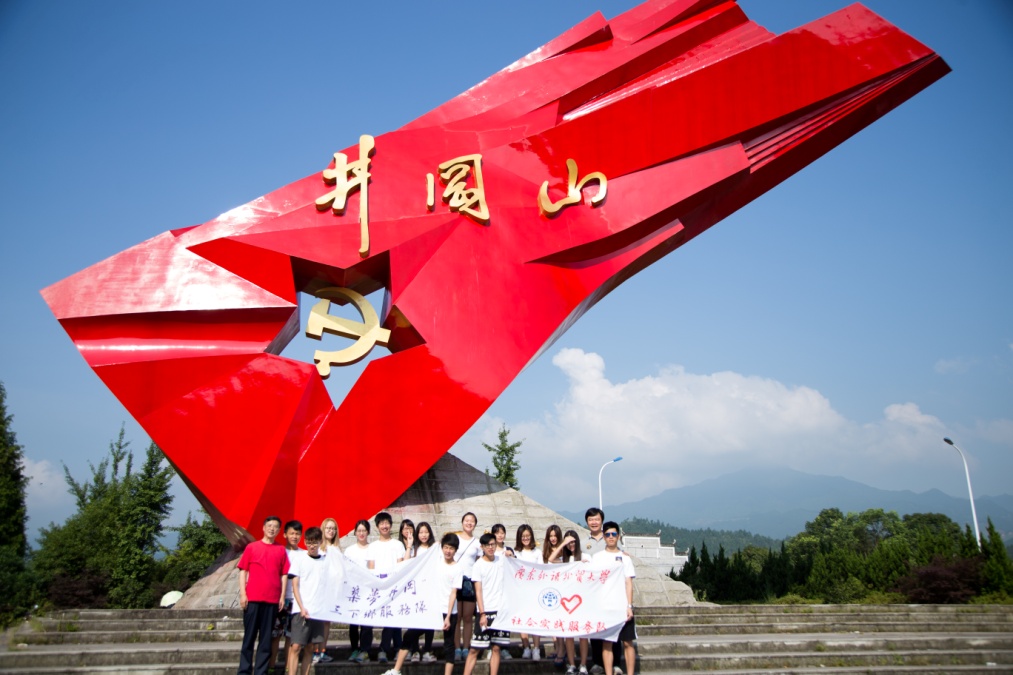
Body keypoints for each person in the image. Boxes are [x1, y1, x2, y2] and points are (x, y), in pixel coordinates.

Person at [382, 532, 462, 675]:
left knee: (449, 645)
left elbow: (453, 593)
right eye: (446, 547)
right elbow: (432, 549)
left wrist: (448, 617)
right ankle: (396, 670)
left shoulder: (457, 568)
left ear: (456, 550)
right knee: (409, 635)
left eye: (451, 548)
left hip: (448, 612)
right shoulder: (436, 560)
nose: (448, 551)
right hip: (431, 609)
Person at [237, 515, 290, 675]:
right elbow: (243, 571)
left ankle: (261, 671)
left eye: (275, 527)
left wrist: (282, 596)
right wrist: (243, 594)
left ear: (279, 531)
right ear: (264, 528)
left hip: (272, 600)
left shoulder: (281, 549)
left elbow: (284, 574)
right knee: (249, 637)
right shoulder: (252, 547)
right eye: (270, 525)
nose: (272, 529)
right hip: (252, 599)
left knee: (266, 640)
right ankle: (244, 671)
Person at [592, 522, 636, 675]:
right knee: (607, 643)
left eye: (614, 534)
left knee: (628, 643)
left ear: (618, 536)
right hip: (606, 606)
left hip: (623, 606)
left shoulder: (625, 558)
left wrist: (629, 605)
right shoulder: (597, 558)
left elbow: (629, 583)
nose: (611, 537)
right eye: (608, 534)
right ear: (604, 537)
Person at [462, 534, 509, 675]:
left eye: (492, 544)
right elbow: (478, 591)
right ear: (482, 547)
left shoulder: (501, 560)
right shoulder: (478, 565)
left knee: (496, 648)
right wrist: (482, 613)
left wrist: (511, 554)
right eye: (487, 545)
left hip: (500, 611)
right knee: (474, 649)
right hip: (485, 611)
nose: (490, 547)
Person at [287, 527, 329, 675]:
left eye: (315, 542)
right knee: (296, 646)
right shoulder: (299, 559)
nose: (312, 546)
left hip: (317, 611)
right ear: (305, 542)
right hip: (301, 610)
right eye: (309, 543)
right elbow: (295, 586)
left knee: (311, 647)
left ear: (320, 542)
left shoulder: (325, 560)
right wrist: (301, 607)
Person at [369, 512, 407, 663]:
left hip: (395, 586)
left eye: (387, 523)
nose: (384, 526)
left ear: (391, 525)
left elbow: (400, 565)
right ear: (377, 526)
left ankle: (386, 649)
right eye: (381, 523)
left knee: (394, 618)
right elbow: (371, 568)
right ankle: (394, 648)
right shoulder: (373, 546)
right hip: (380, 587)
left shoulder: (397, 545)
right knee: (390, 619)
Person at [584, 507, 616, 675]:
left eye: (596, 519)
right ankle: (597, 662)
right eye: (591, 519)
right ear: (587, 522)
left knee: (612, 627)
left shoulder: (609, 538)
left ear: (601, 521)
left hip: (610, 590)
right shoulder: (583, 543)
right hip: (593, 592)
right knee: (595, 627)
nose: (594, 522)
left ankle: (615, 663)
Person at [269, 520, 302, 669]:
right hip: (279, 599)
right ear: (285, 535)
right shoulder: (279, 551)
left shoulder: (304, 554)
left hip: (295, 601)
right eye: (291, 533)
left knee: (291, 637)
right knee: (275, 635)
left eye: (297, 534)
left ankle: (288, 668)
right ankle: (271, 666)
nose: (294, 536)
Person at [559, 530, 589, 675]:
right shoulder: (563, 559)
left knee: (583, 635)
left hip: (582, 601)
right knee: (569, 635)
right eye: (568, 542)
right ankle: (571, 664)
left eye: (573, 542)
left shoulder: (585, 557)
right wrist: (562, 544)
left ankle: (583, 664)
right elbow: (550, 559)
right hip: (567, 602)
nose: (570, 545)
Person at [345, 519, 374, 663]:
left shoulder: (373, 549)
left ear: (368, 532)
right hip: (354, 590)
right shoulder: (349, 550)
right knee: (353, 623)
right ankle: (354, 649)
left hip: (368, 590)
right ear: (355, 532)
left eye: (364, 530)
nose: (361, 533)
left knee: (367, 622)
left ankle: (365, 650)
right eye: (359, 531)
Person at [453, 512, 481, 661]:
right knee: (457, 617)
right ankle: (457, 648)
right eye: (467, 520)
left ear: (475, 524)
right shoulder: (455, 538)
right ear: (462, 522)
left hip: (470, 582)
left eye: (472, 521)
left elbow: (480, 562)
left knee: (468, 617)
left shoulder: (477, 542)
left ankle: (466, 647)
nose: (469, 523)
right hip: (456, 581)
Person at [409, 522, 438, 663]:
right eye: (421, 532)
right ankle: (414, 650)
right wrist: (409, 546)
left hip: (431, 588)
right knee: (415, 621)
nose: (424, 535)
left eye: (426, 532)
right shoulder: (415, 549)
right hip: (417, 589)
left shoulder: (435, 548)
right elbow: (407, 565)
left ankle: (427, 650)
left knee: (429, 620)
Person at [514, 524, 541, 661]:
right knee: (522, 620)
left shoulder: (537, 552)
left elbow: (541, 569)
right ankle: (526, 647)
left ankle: (536, 648)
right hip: (520, 590)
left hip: (534, 589)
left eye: (528, 536)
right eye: (523, 536)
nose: (525, 538)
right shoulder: (516, 553)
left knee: (535, 619)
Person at [315, 517, 340, 664]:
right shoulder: (318, 548)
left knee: (326, 623)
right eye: (328, 528)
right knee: (317, 622)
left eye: (333, 528)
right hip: (319, 590)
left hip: (331, 590)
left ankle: (323, 650)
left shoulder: (337, 549)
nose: (331, 531)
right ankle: (315, 651)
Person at [542, 525, 566, 670]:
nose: (553, 538)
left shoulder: (564, 551)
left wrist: (562, 544)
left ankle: (562, 651)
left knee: (559, 622)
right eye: (550, 536)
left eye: (555, 536)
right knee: (553, 623)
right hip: (549, 590)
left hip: (561, 590)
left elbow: (552, 561)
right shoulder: (545, 550)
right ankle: (557, 648)